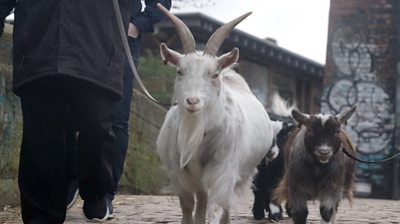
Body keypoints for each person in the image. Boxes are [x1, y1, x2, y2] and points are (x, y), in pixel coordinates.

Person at [0, 0, 132, 223]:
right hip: (39, 43)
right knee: (41, 135)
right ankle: (41, 216)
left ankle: (96, 191)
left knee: (96, 125)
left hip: (97, 45)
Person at [65, 0, 172, 218]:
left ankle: (105, 193)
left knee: (116, 116)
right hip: (77, 33)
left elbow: (160, 3)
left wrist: (136, 25)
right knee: (68, 109)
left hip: (120, 37)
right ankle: (71, 177)